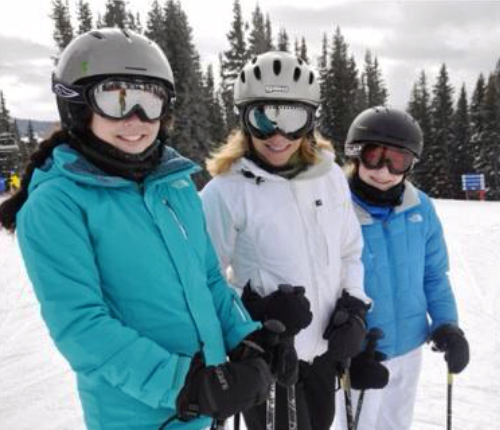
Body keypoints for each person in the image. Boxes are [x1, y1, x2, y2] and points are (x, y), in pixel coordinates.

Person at [0, 28, 286, 430]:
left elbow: (208, 280)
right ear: (78, 107)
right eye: (115, 99)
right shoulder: (56, 204)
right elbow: (81, 326)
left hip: (200, 405)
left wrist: (246, 338)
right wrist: (185, 386)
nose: (136, 120)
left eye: (149, 101)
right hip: (135, 416)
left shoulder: (175, 184)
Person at [200, 51, 370, 430]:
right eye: (263, 119)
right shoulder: (225, 192)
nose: (277, 136)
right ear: (244, 119)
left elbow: (349, 251)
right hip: (269, 359)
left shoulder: (329, 177)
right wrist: (254, 319)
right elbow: (203, 280)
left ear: (310, 121)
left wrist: (354, 306)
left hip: (323, 353)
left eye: (292, 119)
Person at [333, 107, 470, 430]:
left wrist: (447, 325)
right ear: (355, 154)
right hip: (361, 351)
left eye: (397, 160)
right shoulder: (335, 206)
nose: (384, 170)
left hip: (410, 346)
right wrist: (344, 346)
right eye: (374, 156)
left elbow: (434, 274)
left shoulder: (420, 206)